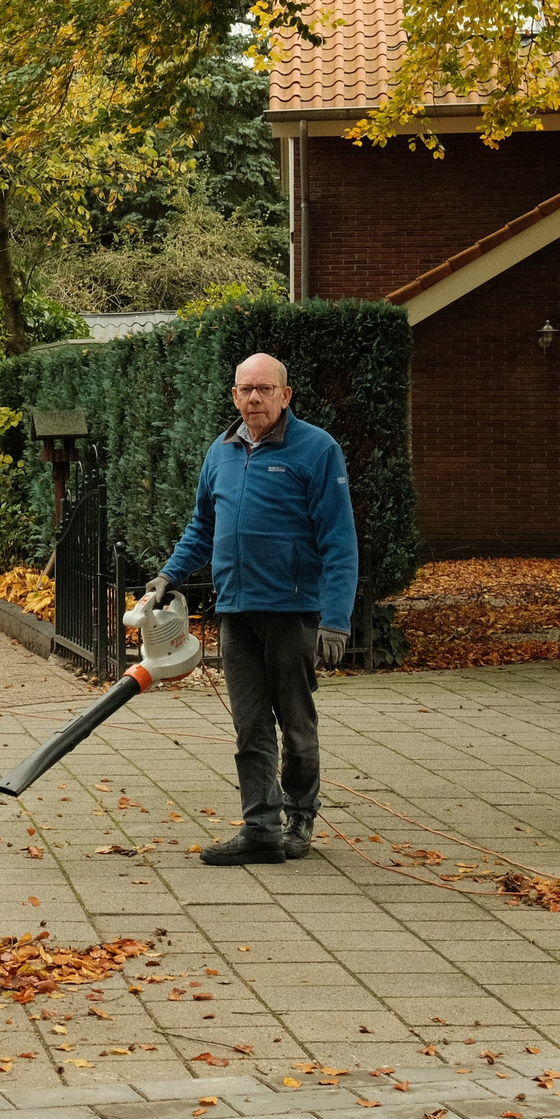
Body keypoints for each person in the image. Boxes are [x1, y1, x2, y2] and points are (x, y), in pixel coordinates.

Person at [146, 352, 359, 866]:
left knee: (296, 725)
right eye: (245, 389)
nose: (254, 398)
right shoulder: (221, 451)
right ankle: (261, 827)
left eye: (264, 389)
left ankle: (299, 817)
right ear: (234, 396)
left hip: (292, 612)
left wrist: (335, 617)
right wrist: (170, 574)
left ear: (286, 395)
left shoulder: (316, 449)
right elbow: (202, 526)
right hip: (237, 611)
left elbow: (339, 541)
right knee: (250, 727)